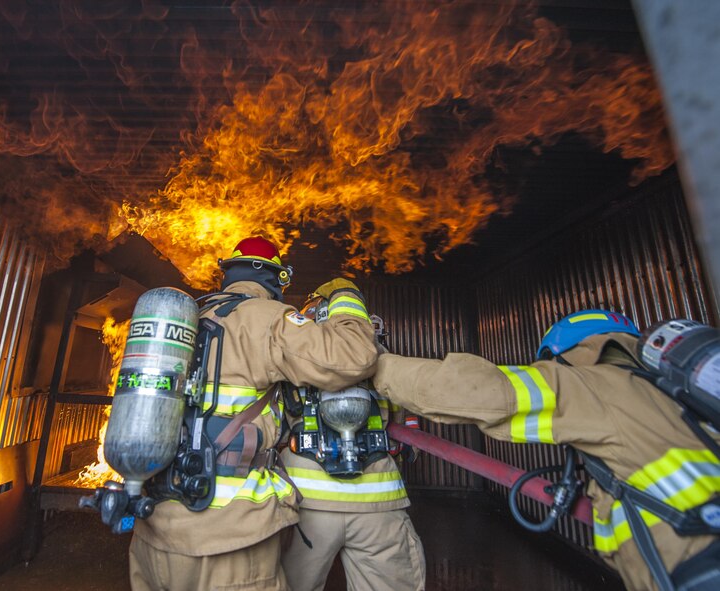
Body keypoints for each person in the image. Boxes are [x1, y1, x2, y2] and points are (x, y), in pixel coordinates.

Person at [372, 309, 719, 591]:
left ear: (565, 354)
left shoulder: (595, 384)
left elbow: (479, 393)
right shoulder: (665, 394)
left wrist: (370, 364)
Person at [128, 236, 379, 591]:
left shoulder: (187, 318)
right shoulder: (267, 318)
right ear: (274, 278)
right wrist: (345, 301)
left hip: (153, 530)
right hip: (228, 539)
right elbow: (354, 357)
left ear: (228, 274)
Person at [279, 294, 426, 591]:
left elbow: (273, 425)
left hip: (306, 506)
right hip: (378, 505)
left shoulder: (295, 355)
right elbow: (406, 414)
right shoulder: (377, 353)